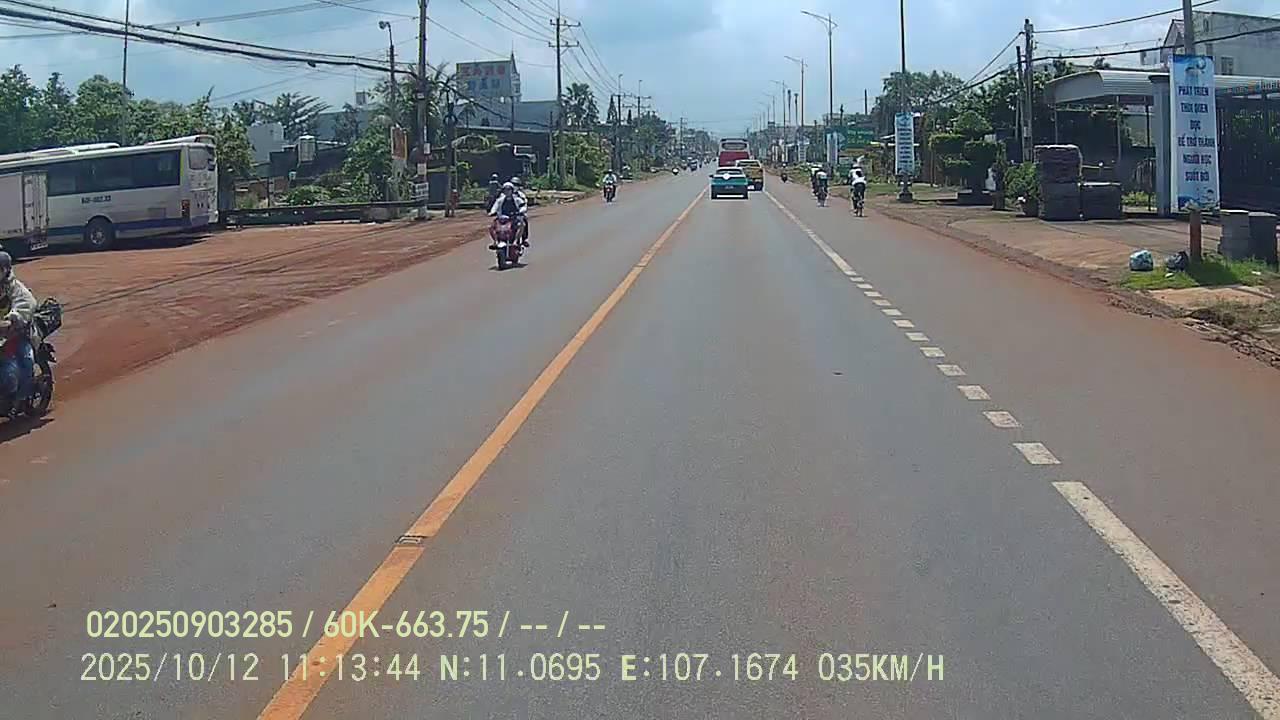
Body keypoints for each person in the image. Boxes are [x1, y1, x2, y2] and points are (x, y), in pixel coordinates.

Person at [0, 251, 35, 417]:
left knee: (25, 360)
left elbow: (27, 303)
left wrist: (14, 317)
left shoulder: (15, 287)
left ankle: (21, 397)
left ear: (5, 269)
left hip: (17, 334)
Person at [488, 182, 528, 248]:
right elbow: (495, 206)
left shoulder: (517, 199)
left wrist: (521, 211)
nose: (507, 191)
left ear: (512, 190)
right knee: (491, 227)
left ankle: (515, 241)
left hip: (514, 218)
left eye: (509, 189)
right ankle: (496, 241)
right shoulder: (500, 200)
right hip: (502, 219)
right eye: (505, 190)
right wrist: (492, 212)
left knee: (521, 225)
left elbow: (523, 206)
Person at [510, 176, 531, 244]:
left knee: (524, 221)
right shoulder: (505, 194)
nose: (514, 186)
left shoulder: (521, 195)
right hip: (507, 214)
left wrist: (522, 211)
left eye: (516, 185)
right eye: (513, 184)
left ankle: (525, 239)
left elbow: (525, 203)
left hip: (518, 214)